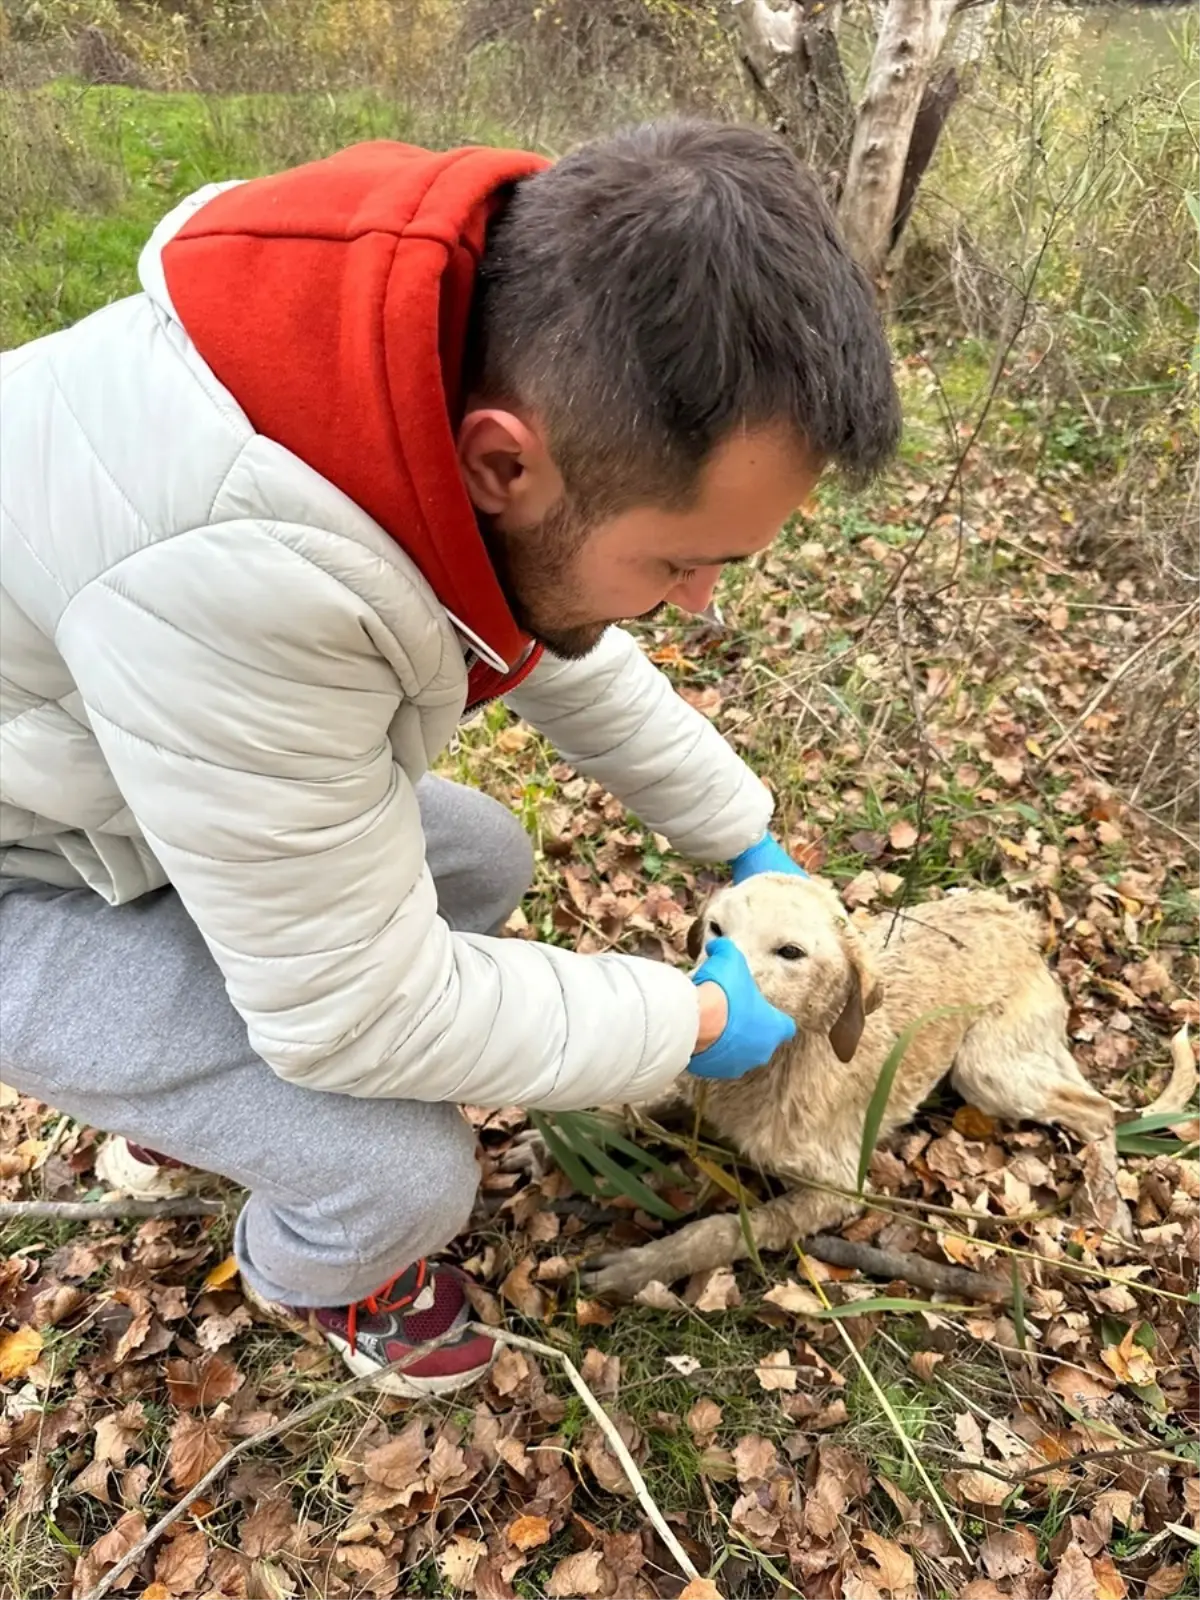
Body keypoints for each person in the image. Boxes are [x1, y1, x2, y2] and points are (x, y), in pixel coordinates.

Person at [0, 119, 900, 1395]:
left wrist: (737, 828)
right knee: (405, 1172)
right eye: (678, 558)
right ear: (501, 462)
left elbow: (551, 628)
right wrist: (691, 1018)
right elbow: (354, 1013)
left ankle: (202, 1101)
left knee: (475, 852)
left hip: (86, 776)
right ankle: (328, 1269)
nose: (699, 602)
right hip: (19, 869)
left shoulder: (411, 355)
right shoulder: (239, 568)